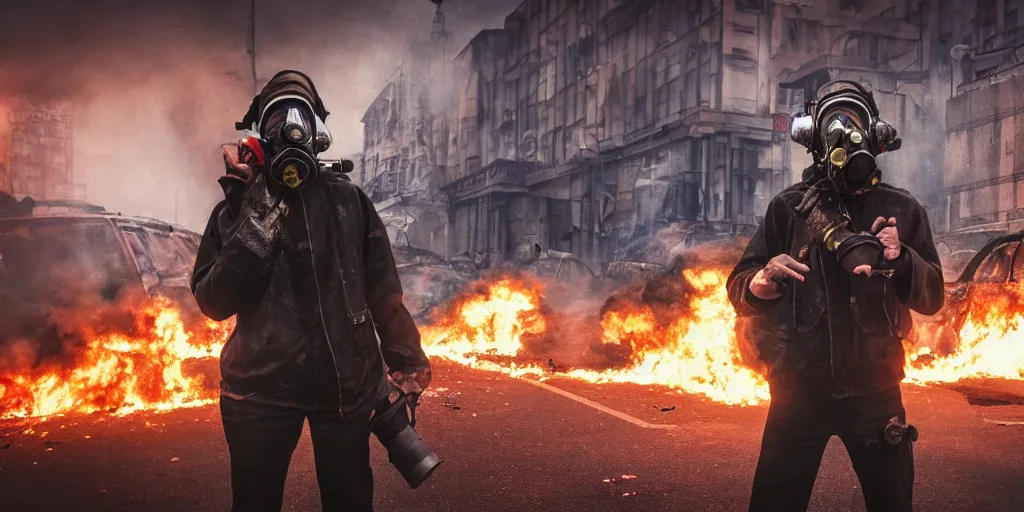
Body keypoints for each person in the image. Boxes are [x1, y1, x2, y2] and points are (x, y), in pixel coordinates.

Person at [191, 70, 432, 512]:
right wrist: (256, 223)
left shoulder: (350, 202)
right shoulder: (235, 210)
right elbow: (213, 301)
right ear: (259, 140)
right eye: (276, 119)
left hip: (344, 387)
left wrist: (408, 362)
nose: (289, 129)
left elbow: (384, 294)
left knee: (349, 501)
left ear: (317, 136)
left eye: (298, 118)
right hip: (260, 390)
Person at [727, 81, 944, 512]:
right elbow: (739, 286)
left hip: (875, 392)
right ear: (815, 139)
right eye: (834, 122)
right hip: (797, 393)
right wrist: (760, 283)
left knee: (892, 502)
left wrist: (902, 261)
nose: (845, 131)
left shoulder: (904, 210)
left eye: (855, 121)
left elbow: (933, 296)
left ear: (876, 134)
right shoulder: (790, 207)